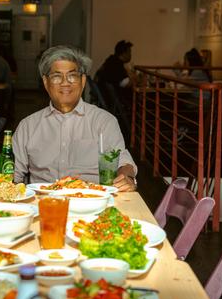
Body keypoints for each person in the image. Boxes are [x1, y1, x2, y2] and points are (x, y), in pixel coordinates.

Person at [12, 45, 137, 192]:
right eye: (57, 76)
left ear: (83, 81)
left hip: (91, 203)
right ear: (46, 83)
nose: (65, 82)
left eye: (72, 75)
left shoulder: (104, 121)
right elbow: (13, 176)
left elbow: (123, 161)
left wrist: (126, 177)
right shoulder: (28, 126)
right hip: (43, 205)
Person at [94, 40, 135, 106]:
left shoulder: (110, 60)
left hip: (105, 97)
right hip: (116, 101)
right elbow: (125, 83)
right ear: (124, 53)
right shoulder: (118, 65)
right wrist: (135, 77)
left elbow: (98, 74)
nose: (130, 55)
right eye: (129, 52)